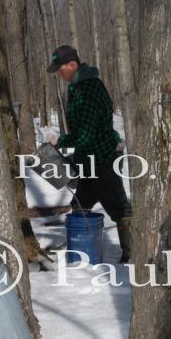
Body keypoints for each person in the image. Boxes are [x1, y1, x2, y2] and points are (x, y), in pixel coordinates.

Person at [46, 45, 132, 262]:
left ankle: (133, 253)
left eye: (60, 68)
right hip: (88, 158)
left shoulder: (89, 88)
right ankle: (81, 249)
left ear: (72, 64)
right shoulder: (76, 87)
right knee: (80, 204)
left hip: (103, 157)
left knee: (118, 208)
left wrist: (61, 141)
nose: (58, 73)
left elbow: (85, 134)